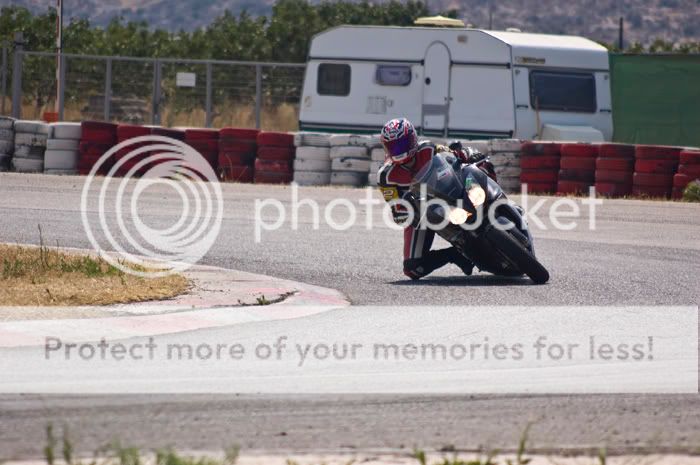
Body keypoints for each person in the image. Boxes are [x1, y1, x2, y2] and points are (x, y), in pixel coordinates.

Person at [377, 117, 479, 280]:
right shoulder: (386, 176)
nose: (397, 150)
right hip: (422, 215)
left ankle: (501, 205)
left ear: (413, 139)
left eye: (401, 144)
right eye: (392, 146)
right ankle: (455, 254)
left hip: (450, 192)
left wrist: (468, 154)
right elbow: (398, 211)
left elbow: (454, 155)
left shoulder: (430, 149)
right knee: (413, 268)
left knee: (476, 169)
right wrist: (404, 211)